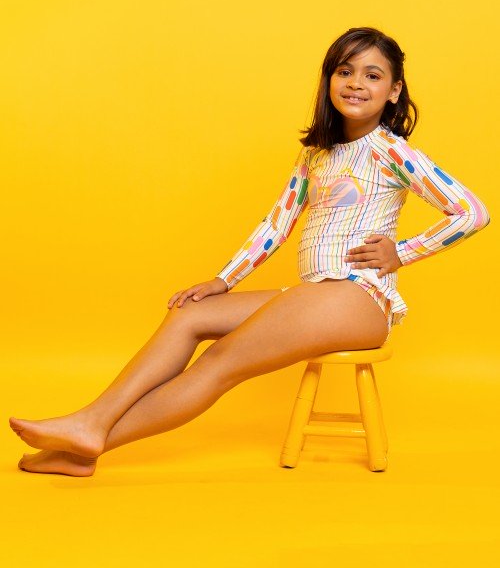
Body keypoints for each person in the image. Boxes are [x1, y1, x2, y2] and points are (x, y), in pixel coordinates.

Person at [10, 26, 490, 477]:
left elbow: (472, 212)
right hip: (317, 294)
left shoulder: (392, 151)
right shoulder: (316, 155)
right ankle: (88, 430)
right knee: (189, 315)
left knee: (220, 361)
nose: (356, 84)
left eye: (372, 75)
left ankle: (90, 437)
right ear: (328, 80)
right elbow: (277, 224)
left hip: (358, 297)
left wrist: (401, 252)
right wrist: (224, 280)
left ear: (394, 90)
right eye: (345, 71)